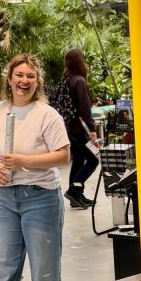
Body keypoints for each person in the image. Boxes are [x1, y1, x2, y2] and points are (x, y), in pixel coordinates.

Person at [0, 54, 70, 281]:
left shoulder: (46, 115)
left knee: (44, 271)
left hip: (40, 198)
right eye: (19, 75)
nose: (24, 81)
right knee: (2, 268)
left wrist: (24, 161)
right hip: (4, 199)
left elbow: (63, 156)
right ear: (9, 79)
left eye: (30, 76)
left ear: (37, 81)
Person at [53, 48, 99, 209]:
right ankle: (74, 191)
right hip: (80, 129)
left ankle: (77, 194)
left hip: (67, 128)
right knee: (93, 160)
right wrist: (92, 129)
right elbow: (85, 108)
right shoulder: (79, 81)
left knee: (78, 160)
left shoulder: (65, 79)